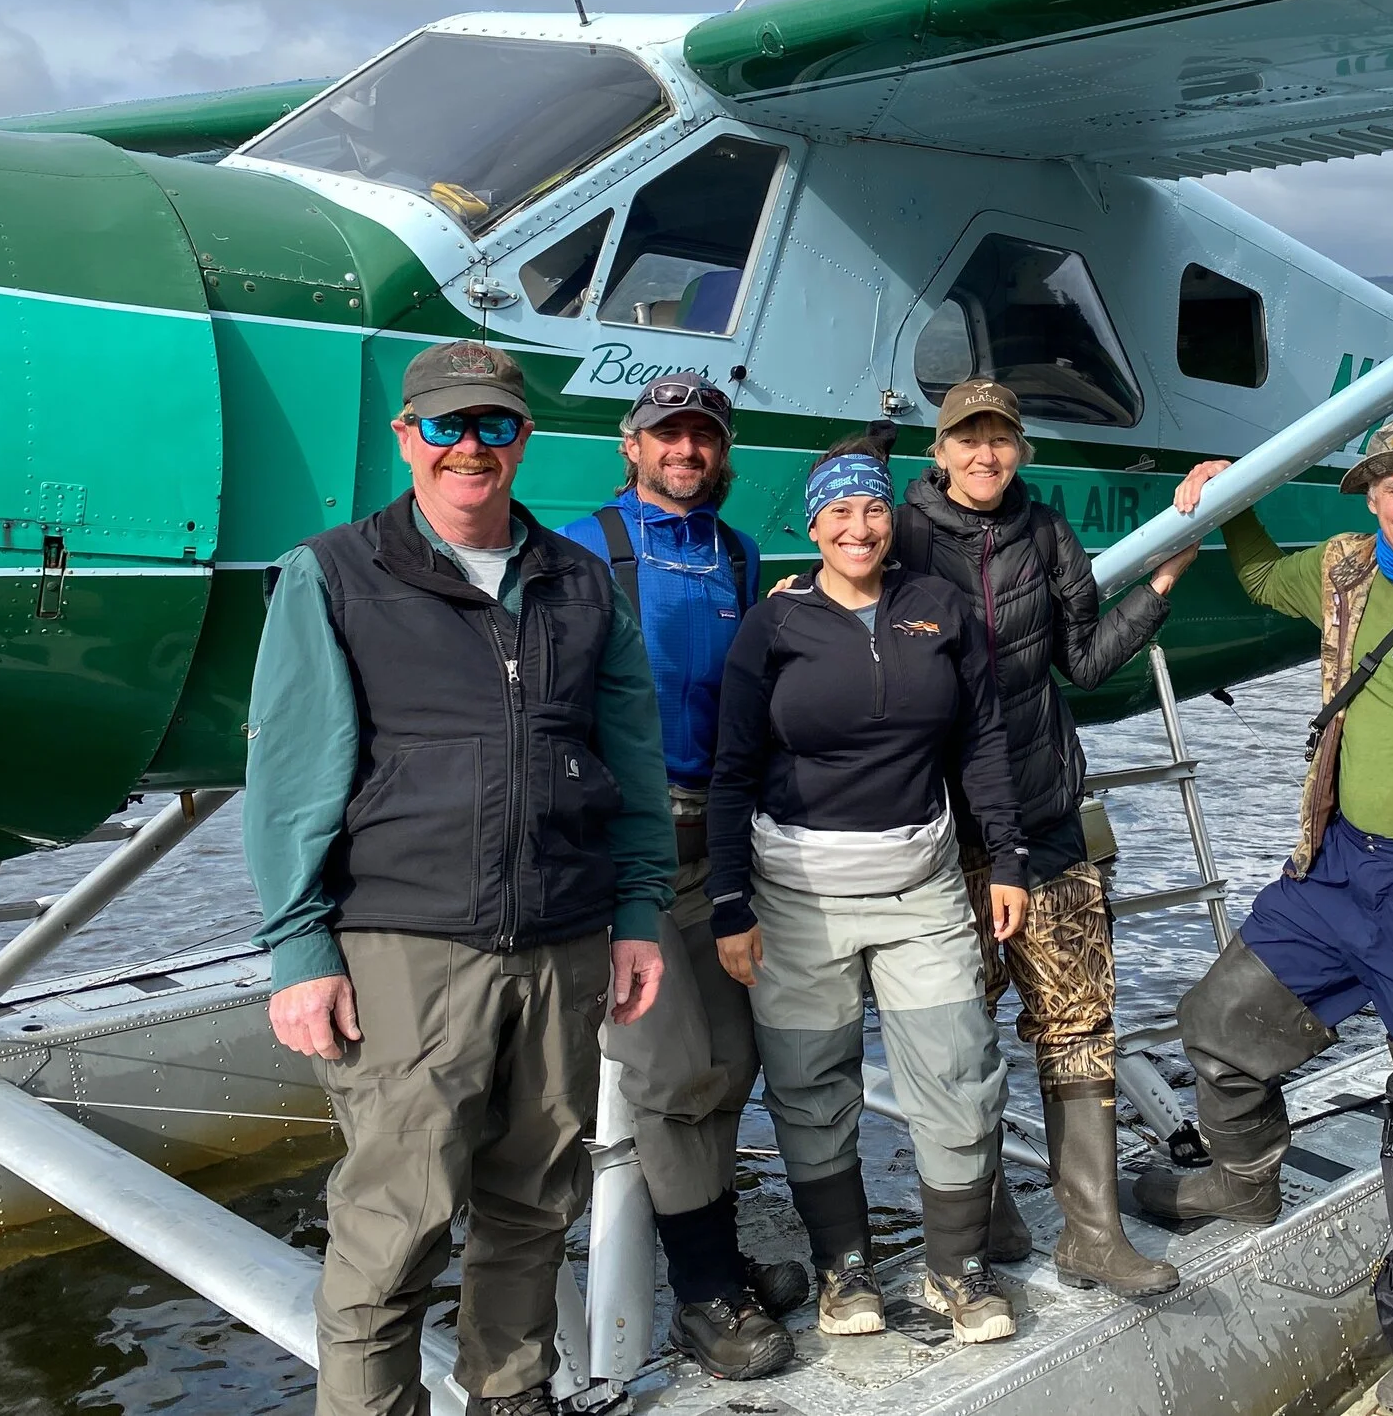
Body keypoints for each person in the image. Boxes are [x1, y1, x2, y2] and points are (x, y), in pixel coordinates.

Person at [243, 340, 677, 1416]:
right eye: (445, 427)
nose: (468, 448)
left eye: (491, 426)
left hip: (564, 937)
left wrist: (635, 913)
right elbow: (290, 772)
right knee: (397, 1221)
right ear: (407, 438)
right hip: (408, 938)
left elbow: (630, 754)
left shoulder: (582, 583)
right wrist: (299, 946)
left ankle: (511, 1390)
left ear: (523, 439)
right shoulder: (336, 572)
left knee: (535, 1197)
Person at [1134, 419, 1393, 1240]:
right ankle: (1244, 1181)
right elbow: (1258, 576)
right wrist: (1231, 488)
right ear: (1371, 498)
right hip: (1337, 866)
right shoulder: (1346, 568)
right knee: (1219, 1024)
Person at [707, 443, 1035, 1345]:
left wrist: (1004, 857)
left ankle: (955, 1268)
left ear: (891, 520)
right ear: (812, 526)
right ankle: (844, 1269)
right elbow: (734, 770)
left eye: (874, 511)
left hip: (918, 888)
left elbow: (982, 744)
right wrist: (729, 905)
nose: (859, 528)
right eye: (839, 514)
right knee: (812, 1088)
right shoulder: (772, 625)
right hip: (796, 896)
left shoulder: (938, 609)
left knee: (961, 1073)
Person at [891, 379, 1197, 1298]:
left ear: (1021, 449)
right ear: (938, 452)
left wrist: (1162, 583)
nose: (986, 455)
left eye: (1002, 438)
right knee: (954, 1031)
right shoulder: (897, 537)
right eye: (968, 438)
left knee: (1076, 1020)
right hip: (940, 831)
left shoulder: (1048, 532)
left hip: (1043, 815)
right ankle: (982, 1209)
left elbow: (1085, 662)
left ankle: (1093, 1232)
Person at [558, 374, 804, 1381]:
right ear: (633, 447)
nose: (686, 451)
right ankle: (705, 1299)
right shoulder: (582, 547)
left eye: (703, 436)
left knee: (731, 1060)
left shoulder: (739, 554)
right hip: (630, 845)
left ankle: (712, 1253)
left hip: (725, 839)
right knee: (666, 1069)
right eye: (668, 435)